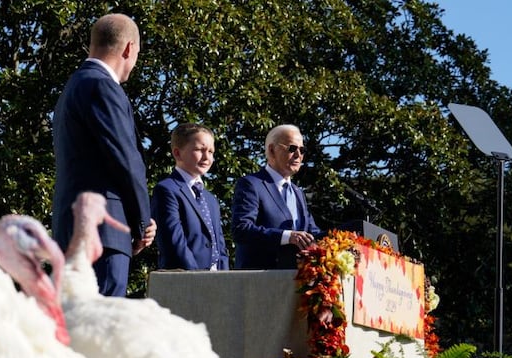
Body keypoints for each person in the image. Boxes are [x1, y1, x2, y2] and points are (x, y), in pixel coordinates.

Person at [51, 13, 156, 296]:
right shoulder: (102, 86)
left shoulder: (72, 89)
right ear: (129, 48)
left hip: (72, 231)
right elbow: (125, 159)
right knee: (101, 326)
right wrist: (143, 222)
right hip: (103, 231)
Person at [230, 124, 322, 270]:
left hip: (296, 279)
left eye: (302, 150)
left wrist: (344, 240)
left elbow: (312, 233)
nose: (298, 155)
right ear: (272, 150)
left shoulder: (298, 193)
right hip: (259, 280)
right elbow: (241, 230)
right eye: (292, 148)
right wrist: (287, 236)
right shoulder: (251, 184)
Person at [151, 123, 229, 271]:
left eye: (211, 151)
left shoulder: (210, 199)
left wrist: (223, 276)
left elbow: (220, 245)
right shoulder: (167, 189)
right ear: (177, 153)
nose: (207, 157)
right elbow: (174, 242)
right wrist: (196, 277)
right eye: (199, 150)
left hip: (216, 281)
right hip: (184, 279)